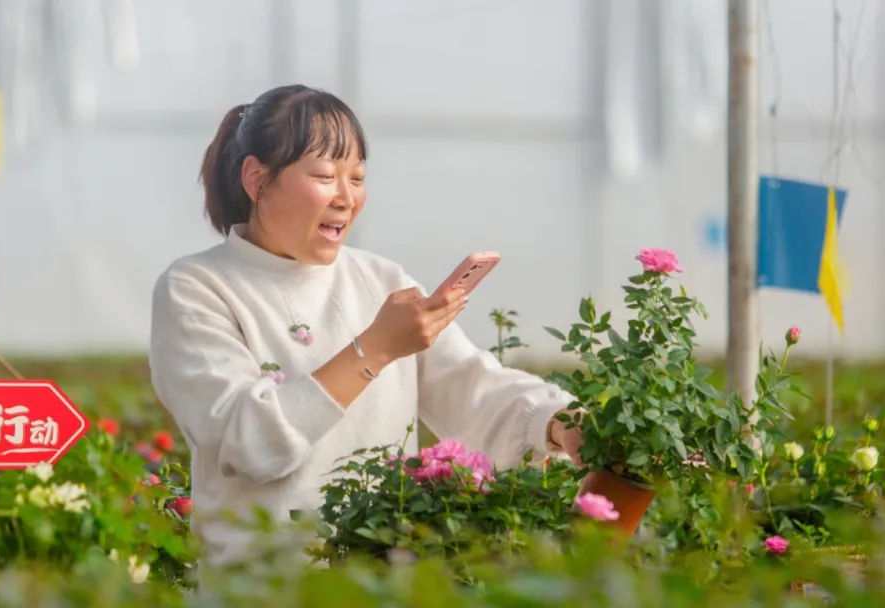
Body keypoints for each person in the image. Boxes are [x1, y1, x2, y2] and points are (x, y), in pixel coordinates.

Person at [148, 84, 585, 569]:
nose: (346, 198)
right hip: (262, 586)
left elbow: (468, 384)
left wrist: (562, 423)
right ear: (256, 179)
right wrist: (374, 349)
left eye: (356, 178)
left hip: (381, 581)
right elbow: (247, 440)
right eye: (324, 175)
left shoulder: (379, 280)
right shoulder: (197, 288)